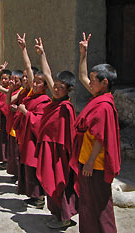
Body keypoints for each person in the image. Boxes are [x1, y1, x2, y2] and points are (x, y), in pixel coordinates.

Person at [70, 32, 120, 233]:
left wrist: (89, 162)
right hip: (87, 159)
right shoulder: (99, 96)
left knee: (100, 207)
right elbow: (82, 76)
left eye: (93, 80)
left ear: (105, 82)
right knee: (88, 205)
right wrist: (83, 54)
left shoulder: (104, 106)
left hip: (96, 164)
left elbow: (101, 137)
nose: (89, 82)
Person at [34, 36, 78, 229]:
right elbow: (47, 73)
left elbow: (69, 136)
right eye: (55, 86)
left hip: (61, 155)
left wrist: (65, 157)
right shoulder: (54, 103)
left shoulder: (66, 108)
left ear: (68, 90)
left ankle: (64, 218)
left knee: (60, 183)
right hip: (50, 151)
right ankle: (57, 215)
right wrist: (42, 54)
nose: (56, 89)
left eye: (61, 88)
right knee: (51, 183)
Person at [13, 33, 50, 209]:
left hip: (35, 140)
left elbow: (40, 123)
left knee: (34, 166)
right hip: (25, 137)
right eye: (33, 82)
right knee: (27, 166)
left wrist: (26, 112)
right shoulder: (30, 94)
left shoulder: (43, 100)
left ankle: (40, 198)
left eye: (38, 83)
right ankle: (33, 196)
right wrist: (24, 49)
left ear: (45, 87)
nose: (34, 85)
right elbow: (28, 67)